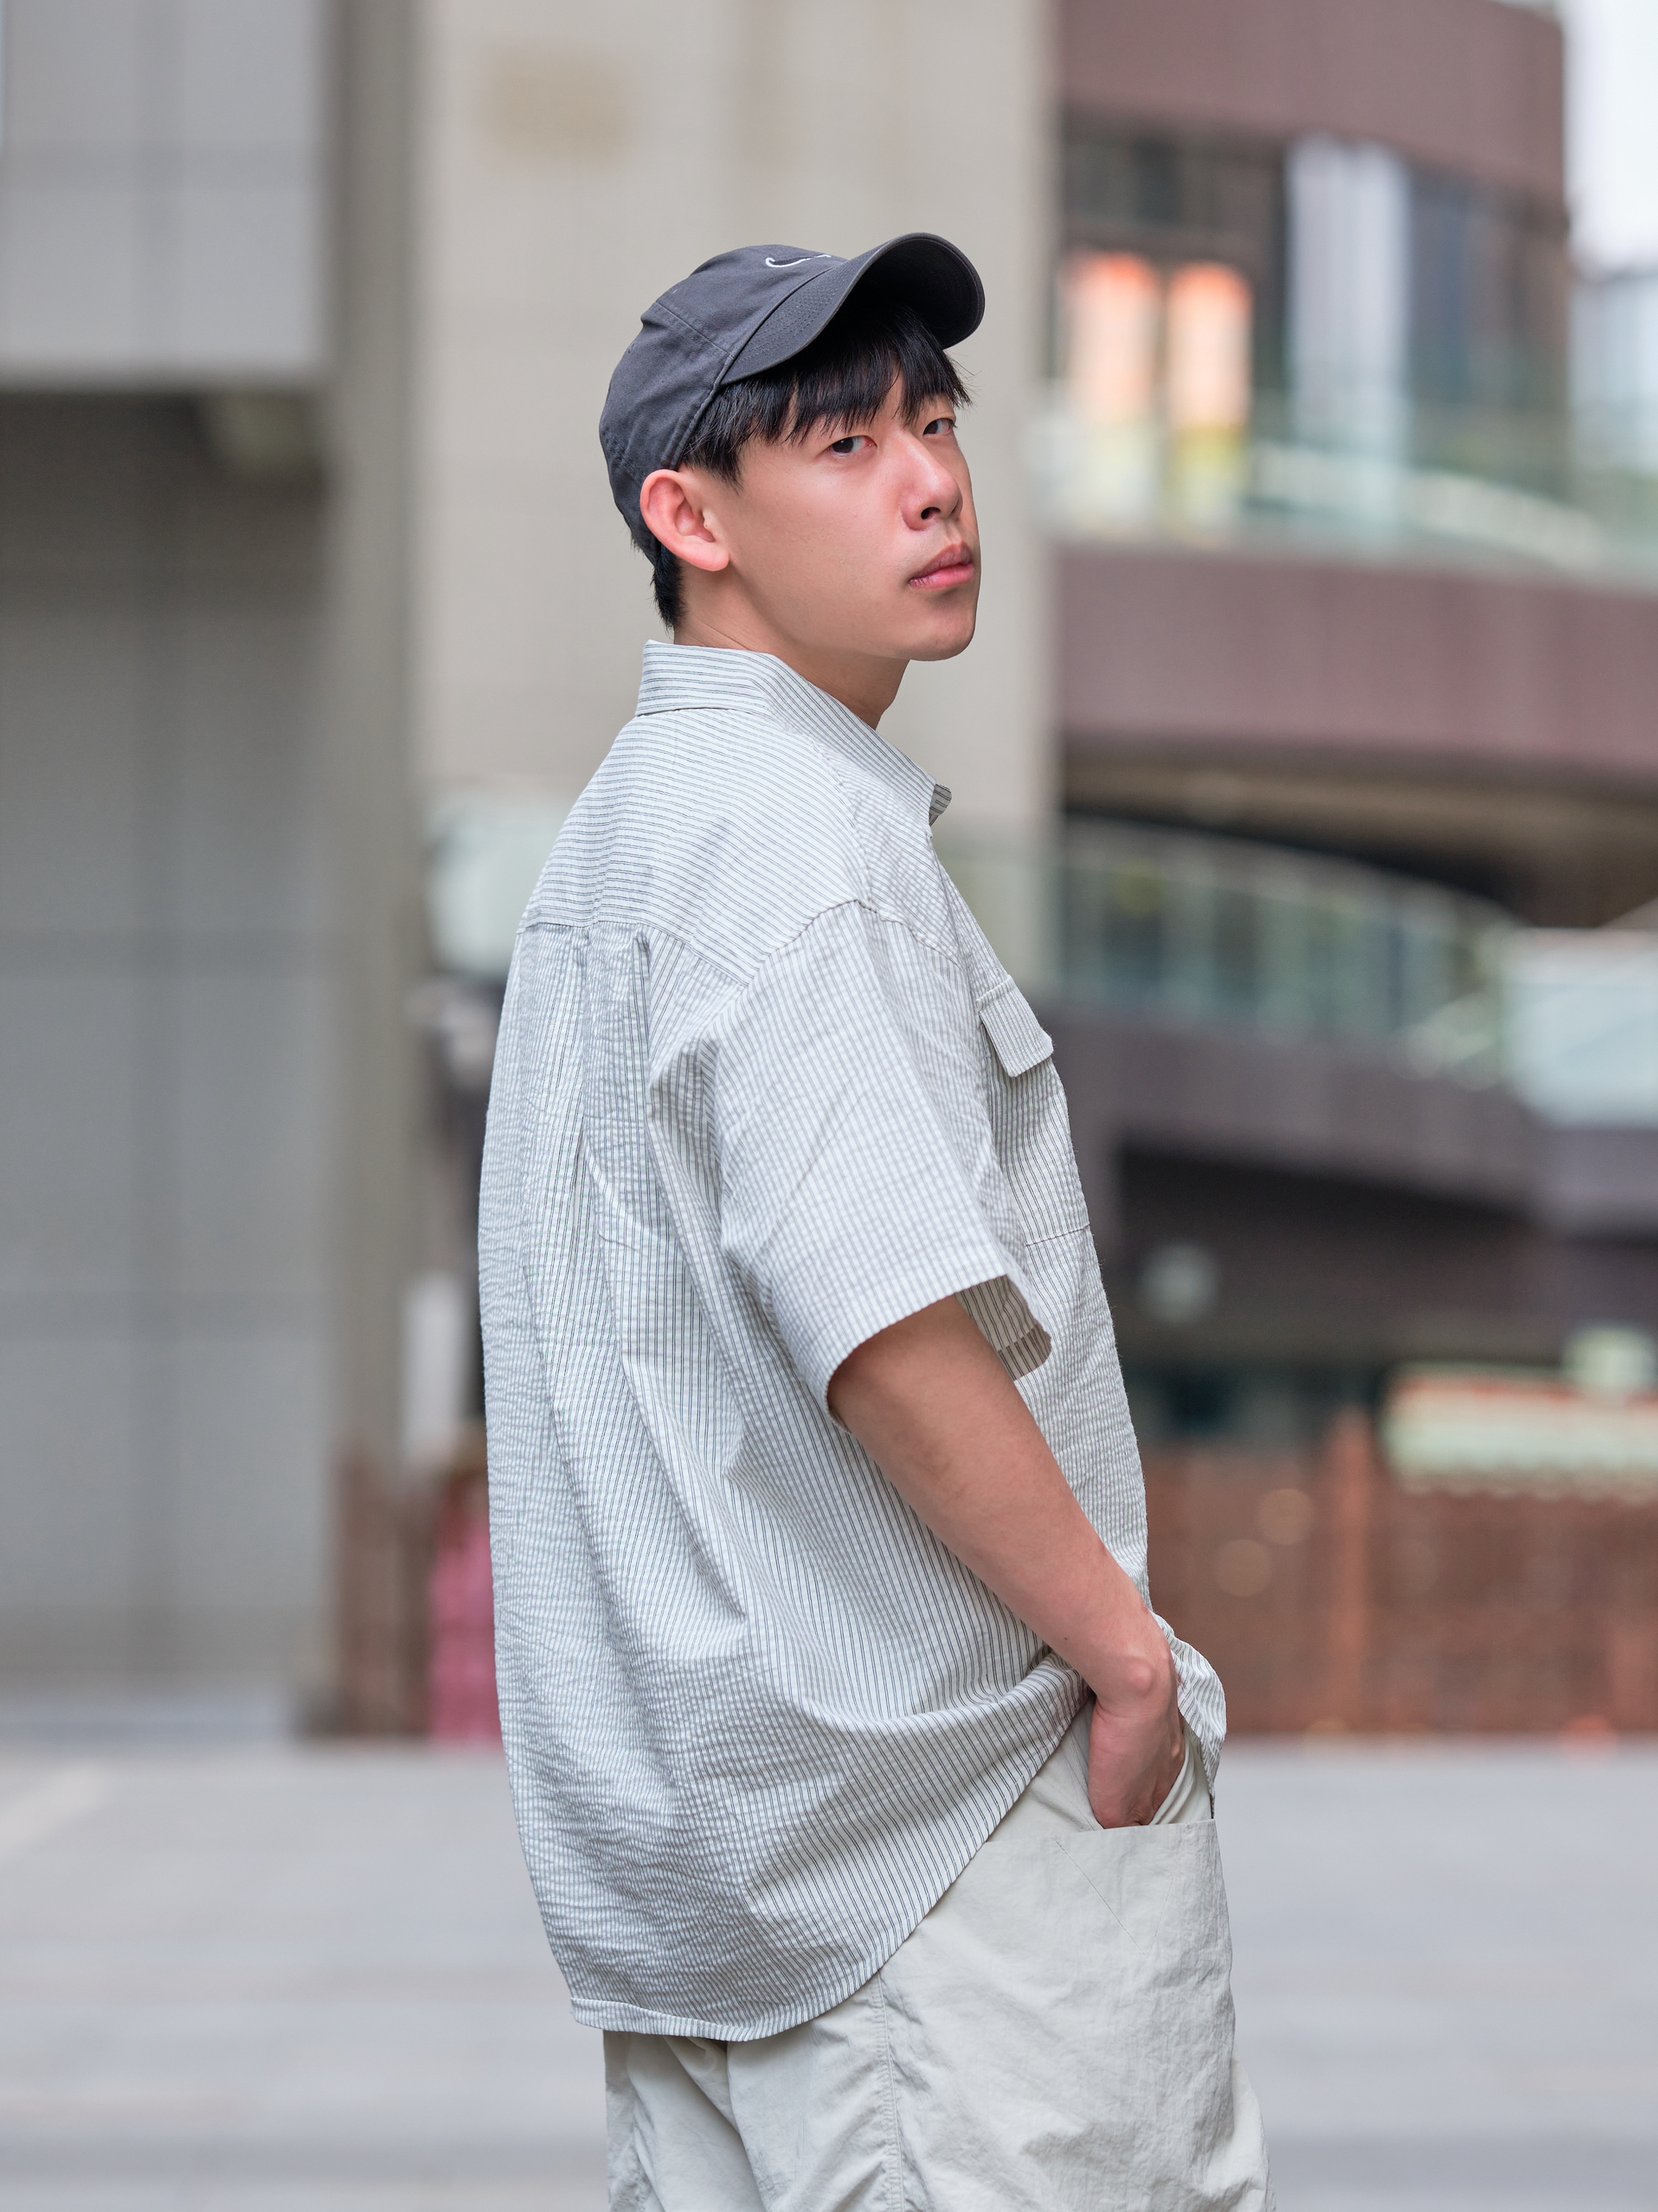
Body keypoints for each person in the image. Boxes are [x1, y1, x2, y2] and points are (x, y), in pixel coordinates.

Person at [479, 235, 1273, 2209]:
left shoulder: (623, 841)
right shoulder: (796, 844)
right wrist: (1123, 1660)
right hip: (923, 1870)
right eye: (845, 446)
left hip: (723, 1880)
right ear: (691, 519)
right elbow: (890, 1328)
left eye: (935, 423)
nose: (931, 482)